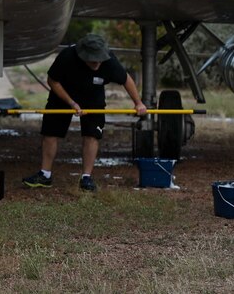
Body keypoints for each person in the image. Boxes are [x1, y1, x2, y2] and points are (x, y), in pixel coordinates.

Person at [22, 33, 148, 192]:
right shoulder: (67, 57)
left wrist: (138, 103)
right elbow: (52, 80)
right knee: (50, 133)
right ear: (83, 55)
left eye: (99, 59)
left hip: (93, 97)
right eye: (92, 59)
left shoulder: (110, 62)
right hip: (63, 96)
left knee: (92, 134)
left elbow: (126, 79)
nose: (97, 63)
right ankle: (45, 174)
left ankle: (86, 177)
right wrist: (71, 102)